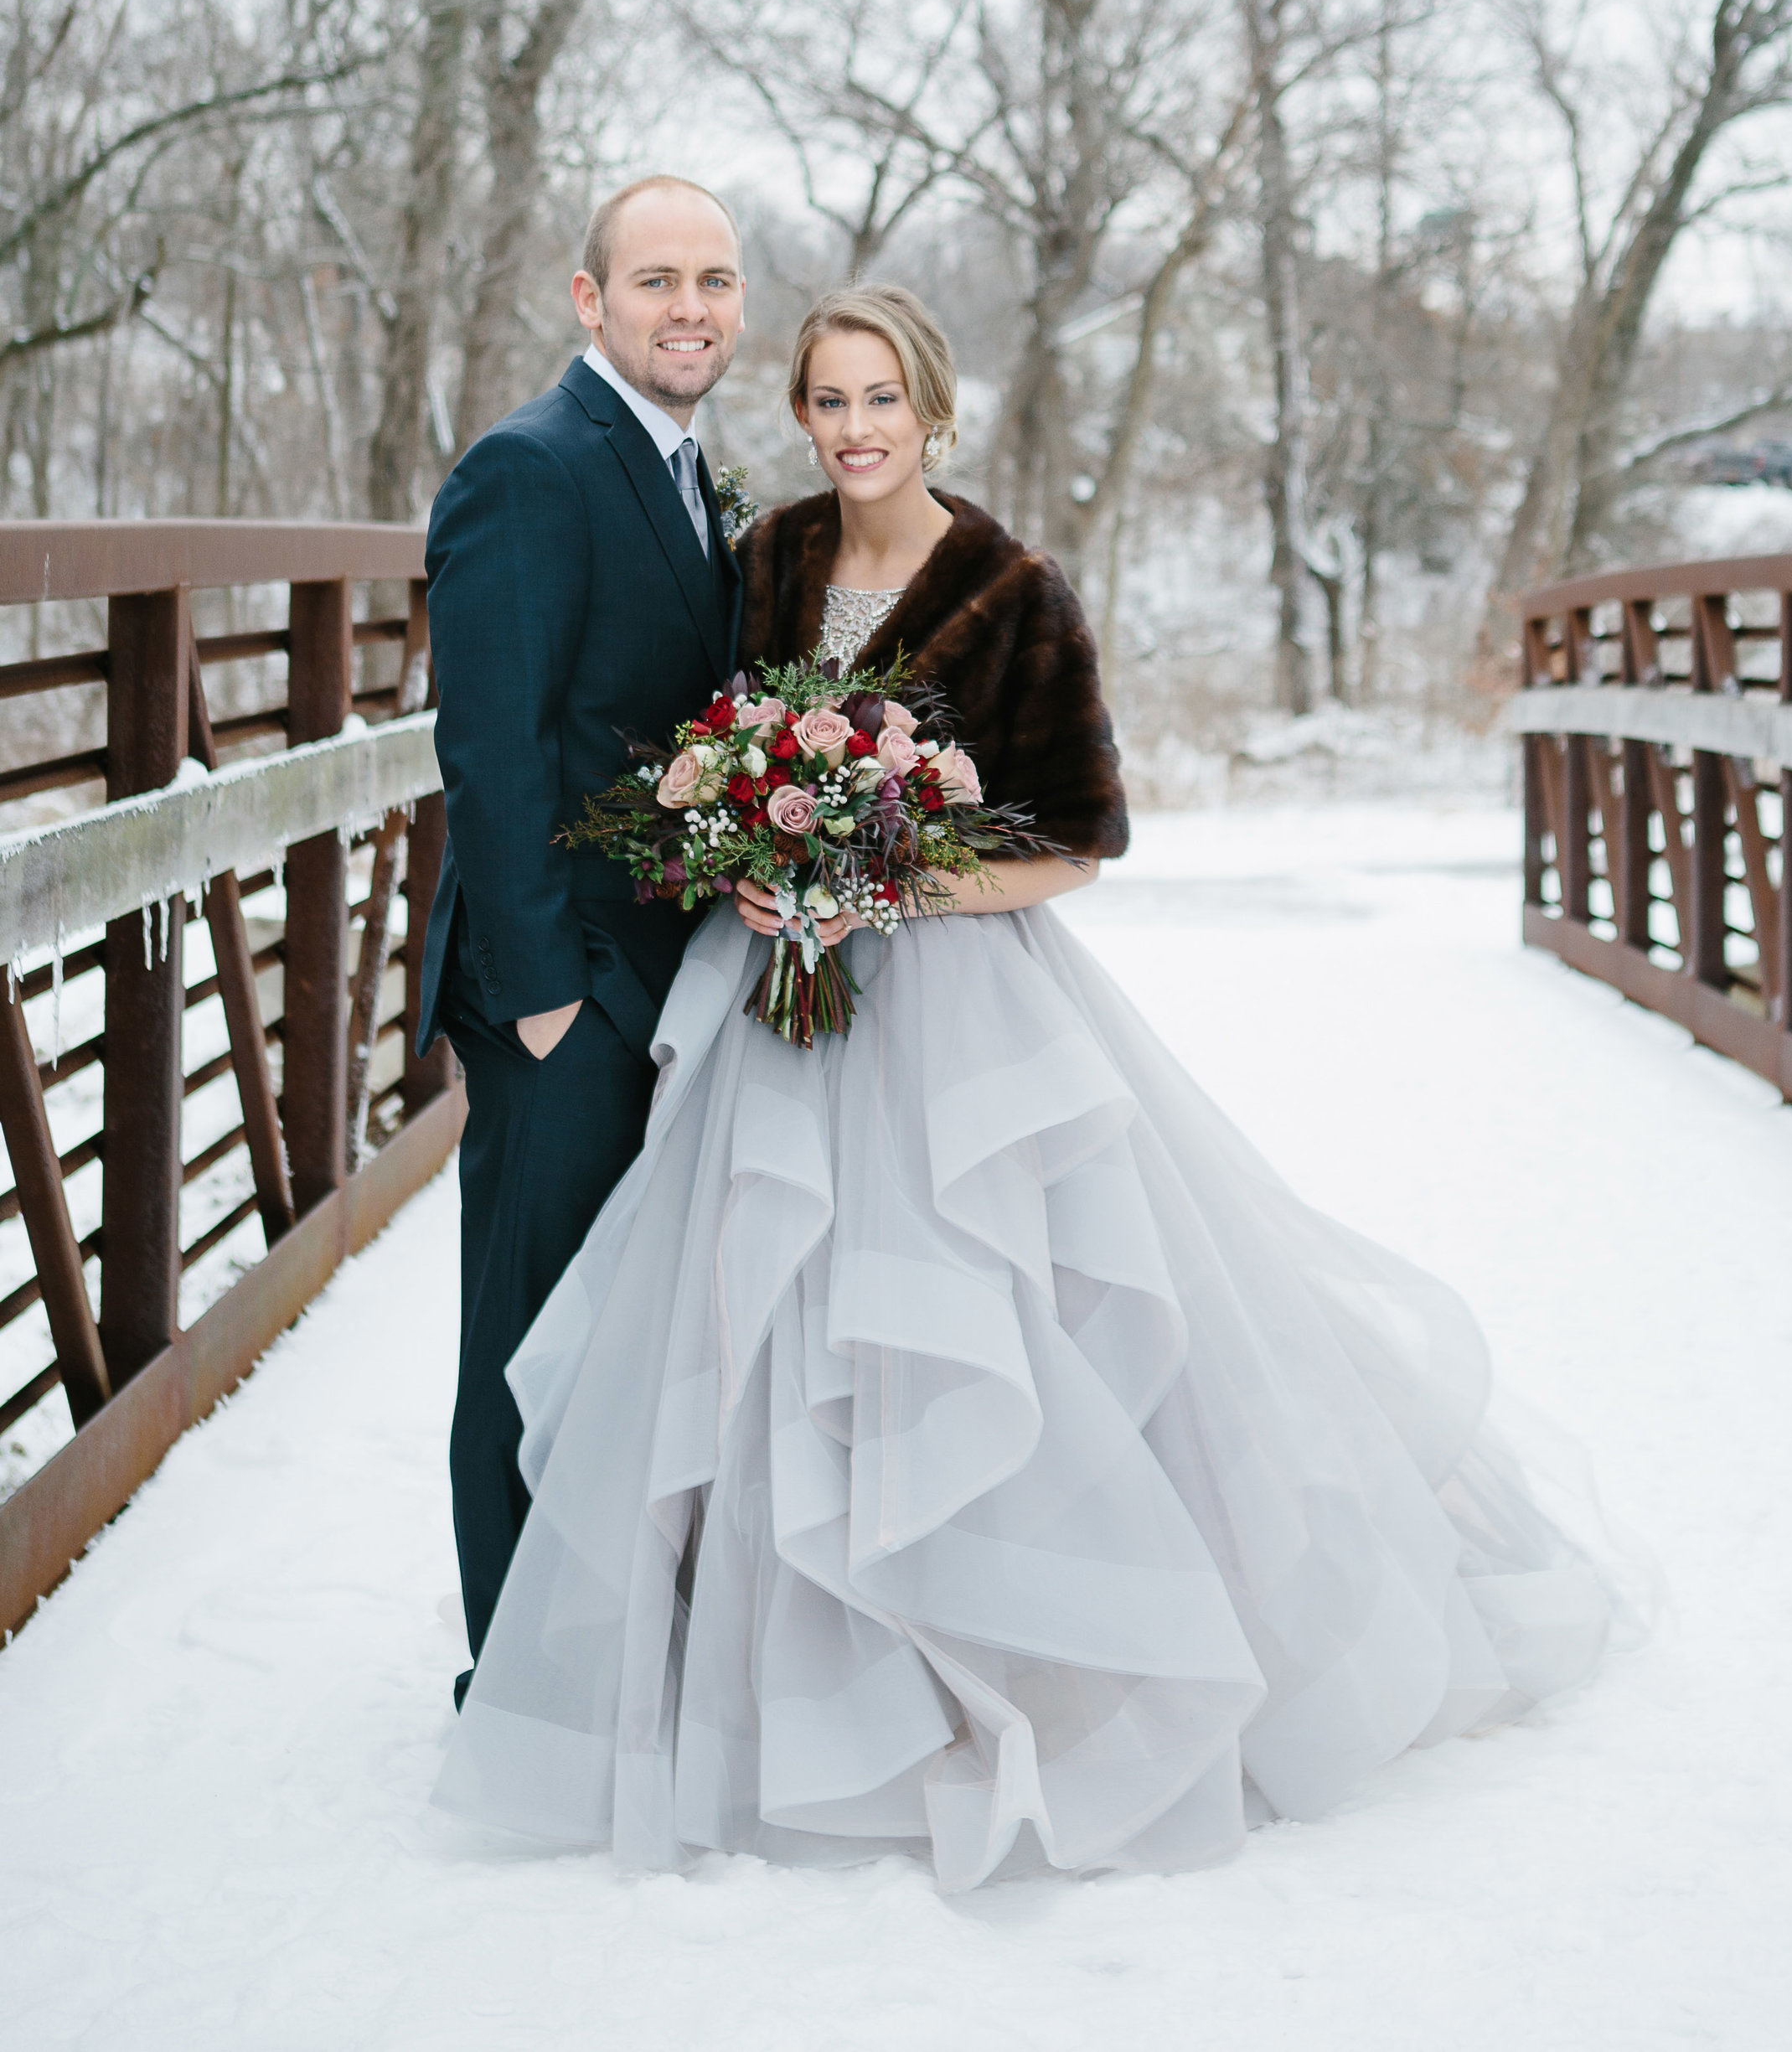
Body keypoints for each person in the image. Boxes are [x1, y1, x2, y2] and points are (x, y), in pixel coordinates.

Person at [433, 283, 1614, 1884]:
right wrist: (757, 868)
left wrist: (888, 888)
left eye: (882, 399)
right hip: (777, 1016)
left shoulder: (1014, 587)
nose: (856, 429)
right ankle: (800, 1685)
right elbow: (714, 752)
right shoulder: (769, 557)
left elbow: (1074, 844)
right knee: (776, 1335)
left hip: (956, 1019)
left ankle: (1021, 1658)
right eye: (829, 401)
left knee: (978, 1331)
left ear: (935, 407)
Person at [419, 175, 746, 1703]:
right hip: (565, 996)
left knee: (620, 1338)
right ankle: (514, 1683)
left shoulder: (687, 470)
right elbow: (489, 746)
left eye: (717, 281)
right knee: (526, 1341)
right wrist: (543, 999)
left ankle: (609, 1654)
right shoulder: (529, 468)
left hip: (670, 978)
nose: (691, 307)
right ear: (588, 297)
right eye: (659, 278)